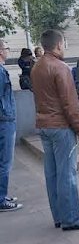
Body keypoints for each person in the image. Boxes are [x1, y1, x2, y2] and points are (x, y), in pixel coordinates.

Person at [31, 29, 79, 230]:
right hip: (60, 127)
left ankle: (59, 216)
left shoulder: (37, 67)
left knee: (52, 174)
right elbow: (70, 103)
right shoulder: (60, 67)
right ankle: (72, 219)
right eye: (64, 44)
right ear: (58, 45)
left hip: (44, 125)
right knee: (67, 174)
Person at [0, 40, 22, 212]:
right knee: (5, 162)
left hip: (5, 119)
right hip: (4, 121)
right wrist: (6, 115)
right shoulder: (0, 72)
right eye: (6, 48)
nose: (8, 51)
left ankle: (2, 194)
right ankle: (1, 200)